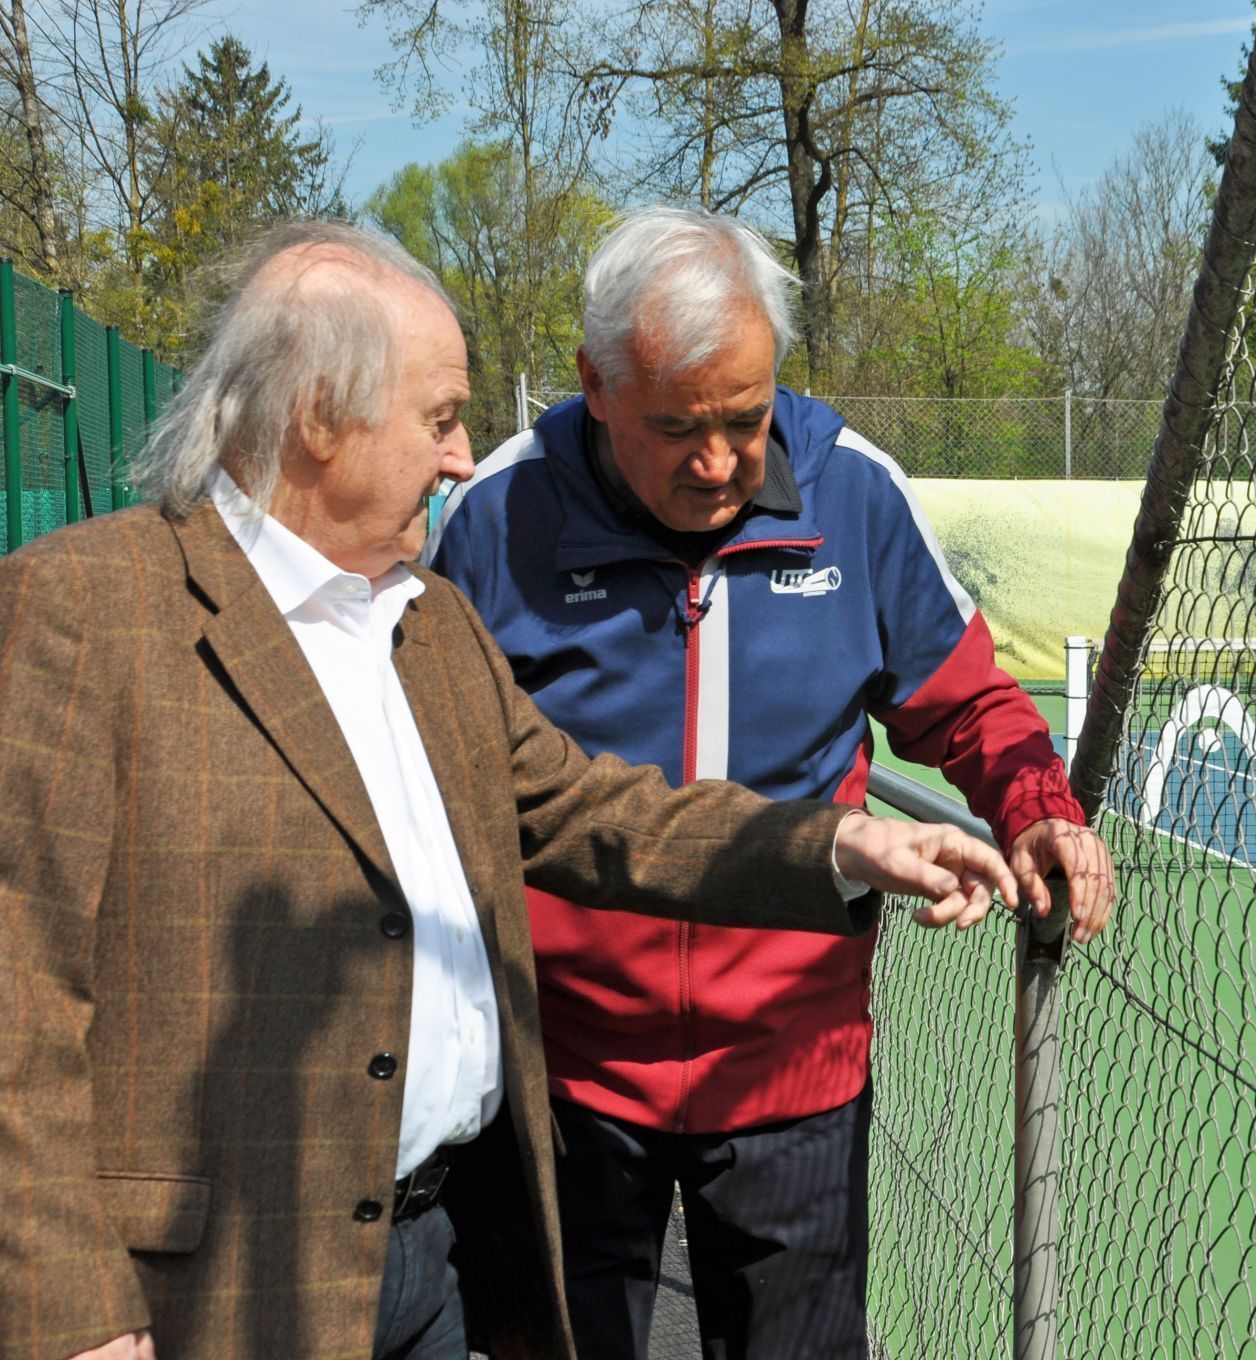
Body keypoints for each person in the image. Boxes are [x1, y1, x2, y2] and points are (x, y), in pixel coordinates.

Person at [0, 220, 1019, 1360]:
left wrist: (839, 848)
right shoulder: (81, 611)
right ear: (319, 419)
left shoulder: (423, 626)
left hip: (436, 1256)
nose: (459, 453)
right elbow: (16, 995)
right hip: (234, 1279)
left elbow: (594, 812)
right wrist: (74, 1315)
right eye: (438, 417)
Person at [429, 206, 1115, 1360]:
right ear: (593, 384)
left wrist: (1036, 807)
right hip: (560, 1076)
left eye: (744, 420)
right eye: (676, 427)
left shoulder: (855, 495)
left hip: (793, 1067)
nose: (716, 462)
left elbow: (971, 701)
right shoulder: (499, 514)